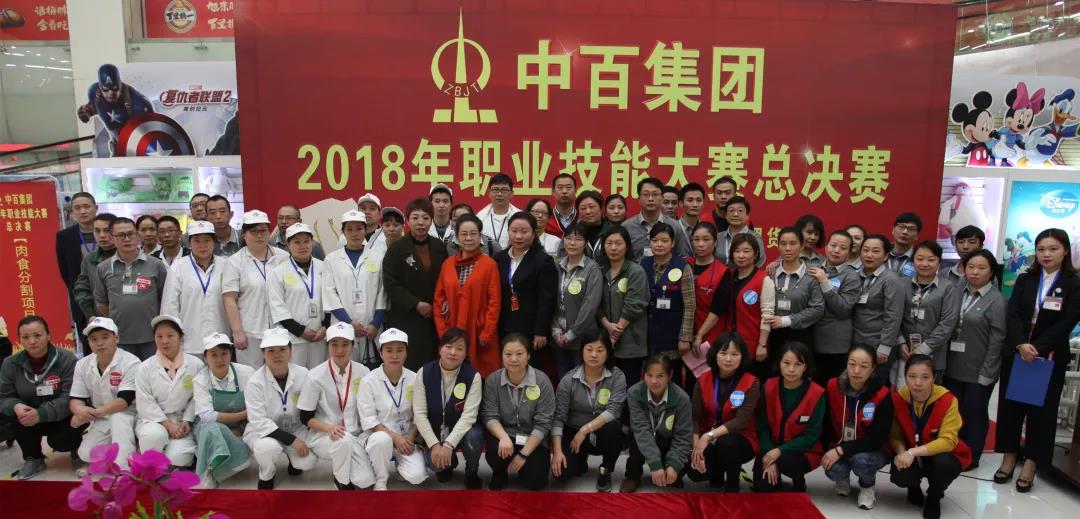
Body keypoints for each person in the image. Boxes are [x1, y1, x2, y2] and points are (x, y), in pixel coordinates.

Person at [994, 228, 1080, 492]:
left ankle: (1031, 464)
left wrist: (1037, 347)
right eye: (1041, 249)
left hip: (1049, 356)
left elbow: (1068, 320)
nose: (1046, 254)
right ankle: (1009, 458)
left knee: (1041, 413)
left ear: (1065, 251)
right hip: (1018, 352)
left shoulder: (1073, 282)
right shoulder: (1026, 279)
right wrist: (1021, 344)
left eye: (1053, 249)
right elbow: (1013, 314)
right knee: (1010, 409)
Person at [943, 249, 1005, 470]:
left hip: (979, 369)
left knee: (975, 412)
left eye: (981, 268)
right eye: (970, 267)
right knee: (954, 411)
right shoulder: (957, 290)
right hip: (953, 365)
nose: (975, 272)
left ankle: (972, 456)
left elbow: (998, 340)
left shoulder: (996, 301)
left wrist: (988, 371)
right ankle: (954, 451)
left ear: (991, 272)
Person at [890, 354, 972, 519]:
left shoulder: (948, 400)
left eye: (925, 377)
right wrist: (901, 453)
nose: (918, 383)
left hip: (941, 454)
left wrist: (912, 452)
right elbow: (895, 435)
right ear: (905, 377)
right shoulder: (898, 398)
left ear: (934, 378)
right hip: (912, 453)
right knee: (901, 471)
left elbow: (948, 441)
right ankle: (913, 487)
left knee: (944, 464)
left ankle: (934, 496)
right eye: (912, 376)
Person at [0, 316, 81, 480]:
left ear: (48, 335)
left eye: (37, 335)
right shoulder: (10, 364)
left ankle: (77, 449)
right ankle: (33, 458)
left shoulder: (67, 359)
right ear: (19, 339)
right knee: (15, 415)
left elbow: (71, 396)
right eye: (25, 337)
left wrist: (41, 413)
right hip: (29, 416)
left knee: (62, 440)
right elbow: (4, 396)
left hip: (63, 416)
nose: (32, 341)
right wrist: (15, 406)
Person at [298, 322, 372, 490]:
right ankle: (341, 482)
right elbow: (305, 417)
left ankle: (345, 468)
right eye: (334, 344)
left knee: (365, 480)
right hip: (325, 436)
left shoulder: (364, 372)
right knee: (343, 441)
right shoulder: (315, 375)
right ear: (328, 346)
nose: (340, 350)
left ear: (353, 346)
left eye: (345, 344)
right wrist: (329, 428)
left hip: (356, 435)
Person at [550, 331, 627, 492]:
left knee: (614, 427)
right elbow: (558, 417)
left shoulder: (617, 376)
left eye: (600, 350)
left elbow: (614, 410)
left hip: (603, 432)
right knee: (561, 473)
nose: (594, 355)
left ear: (608, 352)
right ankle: (580, 461)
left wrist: (585, 430)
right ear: (582, 351)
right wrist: (556, 451)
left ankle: (605, 470)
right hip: (574, 433)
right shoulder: (569, 379)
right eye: (589, 349)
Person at [822, 344, 893, 510]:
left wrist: (841, 450)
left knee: (861, 461)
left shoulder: (882, 394)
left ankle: (867, 486)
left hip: (872, 450)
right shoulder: (832, 386)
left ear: (873, 369)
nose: (856, 370)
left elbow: (877, 439)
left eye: (864, 366)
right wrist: (828, 449)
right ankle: (843, 477)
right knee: (832, 468)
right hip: (840, 443)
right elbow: (825, 423)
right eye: (852, 364)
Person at [244, 327, 316, 489]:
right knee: (268, 449)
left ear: (290, 351)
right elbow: (259, 421)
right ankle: (267, 474)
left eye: (282, 349)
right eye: (271, 351)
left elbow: (311, 406)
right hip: (263, 431)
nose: (277, 355)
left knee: (308, 462)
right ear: (263, 354)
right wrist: (292, 441)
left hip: (295, 427)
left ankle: (293, 460)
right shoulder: (255, 382)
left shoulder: (303, 374)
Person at [482, 334, 556, 490]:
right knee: (495, 451)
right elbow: (490, 415)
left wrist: (523, 454)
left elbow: (543, 424)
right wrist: (503, 437)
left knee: (535, 482)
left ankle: (523, 465)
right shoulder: (493, 380)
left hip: (532, 437)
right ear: (502, 355)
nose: (513, 359)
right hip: (506, 435)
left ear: (528, 355)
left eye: (519, 354)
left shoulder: (542, 381)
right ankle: (500, 472)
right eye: (508, 354)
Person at [413, 328, 485, 489]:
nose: (453, 352)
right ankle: (448, 464)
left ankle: (471, 471)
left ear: (465, 353)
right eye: (448, 346)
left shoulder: (473, 376)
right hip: (436, 430)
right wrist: (434, 445)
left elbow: (469, 416)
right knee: (435, 465)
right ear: (440, 348)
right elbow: (419, 414)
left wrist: (448, 445)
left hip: (464, 431)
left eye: (459, 348)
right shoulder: (424, 372)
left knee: (474, 436)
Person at [357, 328, 428, 489]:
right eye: (389, 350)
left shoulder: (415, 378)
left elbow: (420, 413)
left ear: (406, 353)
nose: (394, 356)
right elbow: (369, 419)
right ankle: (381, 479)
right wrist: (395, 438)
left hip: (407, 437)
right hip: (379, 435)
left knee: (417, 476)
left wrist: (410, 437)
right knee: (381, 441)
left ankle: (399, 466)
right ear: (381, 353)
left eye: (400, 350)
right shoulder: (368, 381)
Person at [384, 198, 450, 371]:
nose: (420, 222)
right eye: (415, 217)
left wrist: (445, 299)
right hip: (407, 317)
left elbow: (447, 277)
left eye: (425, 218)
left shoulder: (439, 246)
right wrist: (416, 304)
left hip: (435, 316)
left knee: (434, 363)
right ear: (407, 220)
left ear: (431, 220)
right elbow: (391, 284)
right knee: (411, 364)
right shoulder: (396, 248)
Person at [689, 333, 760, 492]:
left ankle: (733, 483)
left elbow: (741, 420)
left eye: (735, 354)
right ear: (715, 355)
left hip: (741, 438)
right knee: (694, 473)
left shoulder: (751, 382)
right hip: (710, 436)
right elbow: (695, 416)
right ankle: (716, 475)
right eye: (723, 353)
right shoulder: (703, 380)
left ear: (742, 357)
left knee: (726, 443)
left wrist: (708, 436)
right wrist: (696, 448)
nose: (728, 359)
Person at [93, 217, 170, 360]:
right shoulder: (103, 268)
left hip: (152, 337)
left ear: (138, 236)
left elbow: (165, 299)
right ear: (112, 238)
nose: (127, 239)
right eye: (121, 235)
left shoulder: (156, 265)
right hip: (119, 338)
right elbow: (102, 303)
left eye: (130, 234)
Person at [69, 317, 140, 474]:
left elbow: (123, 401)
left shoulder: (131, 362)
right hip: (103, 418)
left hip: (128, 416)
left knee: (118, 418)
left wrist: (92, 413)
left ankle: (124, 468)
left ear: (117, 338)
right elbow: (76, 398)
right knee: (85, 453)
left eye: (105, 337)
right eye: (94, 339)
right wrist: (80, 412)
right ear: (88, 342)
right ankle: (130, 451)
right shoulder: (82, 364)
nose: (99, 343)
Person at [433, 214, 501, 376]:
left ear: (480, 236)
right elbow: (438, 301)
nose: (468, 238)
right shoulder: (448, 264)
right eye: (464, 234)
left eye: (473, 233)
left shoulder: (489, 264)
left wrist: (487, 333)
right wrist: (444, 334)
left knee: (480, 375)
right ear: (457, 237)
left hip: (479, 332)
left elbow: (494, 302)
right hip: (452, 329)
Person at [135, 315, 205, 469]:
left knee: (178, 459)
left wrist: (187, 420)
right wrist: (167, 425)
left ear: (181, 337)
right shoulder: (144, 368)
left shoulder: (196, 364)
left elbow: (197, 397)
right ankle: (149, 465)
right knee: (154, 436)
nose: (164, 341)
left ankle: (166, 455)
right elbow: (145, 402)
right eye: (159, 336)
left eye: (170, 335)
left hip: (181, 422)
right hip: (154, 420)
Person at [754, 342, 825, 492]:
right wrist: (770, 453)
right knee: (763, 488)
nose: (791, 369)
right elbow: (762, 426)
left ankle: (798, 479)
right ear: (779, 363)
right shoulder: (768, 387)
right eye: (786, 363)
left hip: (802, 451)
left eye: (798, 364)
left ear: (805, 366)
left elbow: (811, 436)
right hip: (770, 447)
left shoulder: (817, 393)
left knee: (788, 462)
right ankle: (776, 476)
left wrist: (779, 451)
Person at [223, 210, 290, 368]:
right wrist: (237, 331)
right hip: (250, 332)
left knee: (280, 372)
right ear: (244, 234)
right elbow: (229, 298)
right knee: (250, 375)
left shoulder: (284, 257)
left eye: (263, 231)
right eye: (254, 231)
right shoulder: (234, 262)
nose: (259, 235)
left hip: (281, 330)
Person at [495, 212, 558, 376]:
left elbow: (547, 300)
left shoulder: (543, 261)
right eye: (514, 231)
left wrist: (541, 331)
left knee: (530, 372)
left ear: (533, 233)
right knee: (506, 370)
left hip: (530, 329)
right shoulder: (500, 258)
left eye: (524, 231)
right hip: (504, 325)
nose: (518, 236)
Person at [621, 354, 693, 493]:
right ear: (644, 375)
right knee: (635, 436)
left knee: (678, 468)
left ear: (670, 375)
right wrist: (655, 464)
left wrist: (674, 464)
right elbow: (641, 428)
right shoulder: (634, 392)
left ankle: (670, 467)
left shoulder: (682, 398)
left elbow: (683, 435)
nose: (654, 381)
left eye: (660, 376)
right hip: (644, 437)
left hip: (668, 439)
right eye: (649, 375)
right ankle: (633, 475)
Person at [268, 222, 336, 369]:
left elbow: (331, 298)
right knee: (296, 378)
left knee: (318, 376)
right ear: (288, 244)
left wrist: (325, 327)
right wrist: (301, 331)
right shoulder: (278, 272)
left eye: (306, 241)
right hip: (294, 339)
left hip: (320, 336)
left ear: (312, 242)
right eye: (297, 242)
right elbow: (278, 307)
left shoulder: (324, 267)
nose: (303, 246)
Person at [324, 210, 386, 369]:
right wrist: (349, 323)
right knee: (344, 370)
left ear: (365, 230)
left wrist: (375, 323)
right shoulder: (331, 259)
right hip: (343, 326)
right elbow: (330, 293)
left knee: (371, 373)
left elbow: (382, 292)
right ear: (343, 232)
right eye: (349, 229)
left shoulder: (377, 257)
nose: (354, 233)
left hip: (371, 328)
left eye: (359, 228)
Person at [192, 333, 254, 489]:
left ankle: (225, 467)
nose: (219, 359)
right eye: (214, 355)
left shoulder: (247, 373)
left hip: (241, 427)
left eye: (224, 353)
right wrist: (241, 415)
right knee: (212, 429)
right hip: (208, 428)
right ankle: (209, 472)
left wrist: (240, 427)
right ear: (205, 357)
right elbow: (207, 416)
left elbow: (256, 406)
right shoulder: (200, 380)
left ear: (231, 353)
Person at [642, 223, 696, 390]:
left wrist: (685, 337)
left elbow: (690, 305)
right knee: (650, 377)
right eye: (655, 240)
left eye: (664, 241)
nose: (659, 244)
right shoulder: (643, 264)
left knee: (672, 379)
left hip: (672, 335)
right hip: (647, 335)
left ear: (672, 243)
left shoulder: (682, 267)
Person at [161, 221, 228, 355]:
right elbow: (169, 307)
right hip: (189, 342)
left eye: (207, 240)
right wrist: (173, 336)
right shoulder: (178, 267)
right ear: (189, 243)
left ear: (214, 242)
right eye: (197, 241)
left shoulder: (226, 265)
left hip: (221, 338)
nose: (202, 246)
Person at [763, 227, 825, 372]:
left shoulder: (812, 275)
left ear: (802, 246)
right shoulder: (770, 273)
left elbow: (817, 309)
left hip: (801, 334)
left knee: (798, 374)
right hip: (773, 335)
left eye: (793, 243)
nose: (788, 248)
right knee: (775, 374)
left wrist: (785, 320)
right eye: (783, 244)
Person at [712, 234, 773, 378]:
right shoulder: (728, 276)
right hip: (729, 347)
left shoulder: (764, 279)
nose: (741, 255)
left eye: (746, 251)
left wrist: (762, 344)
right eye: (737, 251)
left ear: (755, 254)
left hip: (753, 345)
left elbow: (767, 315)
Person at [900, 241, 959, 383]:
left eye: (931, 260)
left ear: (939, 263)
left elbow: (947, 323)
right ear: (913, 261)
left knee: (929, 393)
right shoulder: (902, 284)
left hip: (933, 355)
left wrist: (923, 349)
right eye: (920, 259)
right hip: (903, 352)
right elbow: (894, 316)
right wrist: (900, 342)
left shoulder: (947, 288)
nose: (925, 264)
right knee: (900, 394)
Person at [809, 230, 862, 384]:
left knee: (831, 386)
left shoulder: (851, 276)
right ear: (826, 247)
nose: (836, 250)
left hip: (834, 344)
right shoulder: (813, 268)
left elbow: (843, 309)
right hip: (810, 338)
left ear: (849, 253)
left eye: (843, 248)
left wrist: (825, 282)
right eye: (833, 245)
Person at [852, 235, 906, 383]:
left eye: (875, 251)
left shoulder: (891, 280)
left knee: (875, 386)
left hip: (879, 345)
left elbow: (893, 315)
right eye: (865, 250)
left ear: (885, 256)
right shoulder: (855, 276)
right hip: (857, 342)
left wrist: (885, 346)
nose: (869, 255)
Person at [552, 223, 603, 378]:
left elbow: (590, 305)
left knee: (581, 379)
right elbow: (549, 299)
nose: (572, 243)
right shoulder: (555, 265)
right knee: (563, 379)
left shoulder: (592, 269)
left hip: (582, 338)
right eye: (568, 238)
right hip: (558, 336)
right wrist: (555, 330)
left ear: (585, 243)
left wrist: (571, 334)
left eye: (578, 239)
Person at [599, 228, 650, 384]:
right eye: (609, 243)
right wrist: (606, 325)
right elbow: (593, 302)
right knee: (607, 388)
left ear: (627, 246)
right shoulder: (599, 271)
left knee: (629, 387)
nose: (613, 248)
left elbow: (634, 305)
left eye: (618, 243)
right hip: (604, 341)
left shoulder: (635, 271)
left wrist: (615, 334)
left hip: (631, 343)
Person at [57, 193, 99, 352]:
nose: (82, 211)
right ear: (72, 211)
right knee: (89, 345)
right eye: (77, 208)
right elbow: (66, 273)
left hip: (112, 298)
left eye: (86, 206)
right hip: (82, 300)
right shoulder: (64, 237)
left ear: (96, 208)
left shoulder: (109, 229)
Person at [623, 178, 691, 263]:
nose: (650, 199)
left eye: (655, 194)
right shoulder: (627, 227)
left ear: (662, 198)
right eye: (646, 194)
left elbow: (682, 257)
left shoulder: (675, 226)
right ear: (639, 199)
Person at [73, 213, 117, 336]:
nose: (102, 235)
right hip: (101, 321)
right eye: (97, 231)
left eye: (107, 231)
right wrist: (90, 315)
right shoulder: (90, 259)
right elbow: (81, 289)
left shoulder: (127, 256)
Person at [689, 222, 730, 348]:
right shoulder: (684, 265)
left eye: (706, 239)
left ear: (715, 242)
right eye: (696, 239)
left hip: (710, 335)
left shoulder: (723, 272)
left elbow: (717, 310)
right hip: (683, 335)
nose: (700, 244)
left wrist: (700, 334)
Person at [715, 196, 766, 267]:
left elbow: (760, 261)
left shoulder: (755, 237)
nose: (735, 214)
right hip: (719, 273)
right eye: (731, 211)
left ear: (747, 215)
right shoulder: (718, 237)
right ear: (726, 215)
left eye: (740, 211)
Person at [476, 173, 521, 249]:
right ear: (489, 193)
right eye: (495, 190)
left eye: (504, 190)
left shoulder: (520, 217)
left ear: (512, 193)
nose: (499, 194)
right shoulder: (480, 218)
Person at [574, 191, 608, 260]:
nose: (588, 212)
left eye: (592, 207)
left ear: (601, 208)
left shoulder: (612, 231)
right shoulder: (572, 232)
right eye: (583, 208)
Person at [888, 212, 923, 278]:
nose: (905, 232)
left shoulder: (920, 258)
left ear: (917, 235)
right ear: (893, 230)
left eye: (911, 229)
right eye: (901, 227)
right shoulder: (881, 253)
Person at [546, 173, 578, 238]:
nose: (564, 191)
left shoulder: (582, 217)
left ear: (575, 191)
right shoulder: (546, 217)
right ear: (553, 191)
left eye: (568, 187)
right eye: (560, 187)